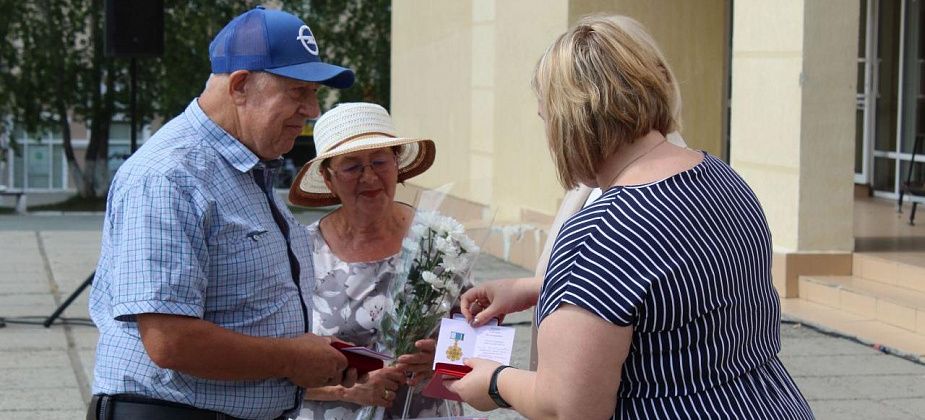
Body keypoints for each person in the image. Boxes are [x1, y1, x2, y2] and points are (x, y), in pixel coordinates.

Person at [449, 15, 814, 419]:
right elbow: (671, 289)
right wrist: (540, 287)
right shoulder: (721, 177)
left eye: (546, 119)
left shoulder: (601, 231)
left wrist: (495, 381)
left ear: (574, 119)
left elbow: (570, 406)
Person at [88, 7, 359, 420]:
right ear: (240, 86)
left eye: (314, 93)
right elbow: (170, 341)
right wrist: (289, 358)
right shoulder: (169, 175)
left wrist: (316, 358)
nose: (312, 110)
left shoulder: (244, 164)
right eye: (299, 91)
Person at [288, 102, 465, 419]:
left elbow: (474, 336)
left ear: (397, 165)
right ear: (329, 178)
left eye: (379, 161)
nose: (369, 176)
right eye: (352, 166)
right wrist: (347, 390)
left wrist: (442, 358)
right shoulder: (301, 251)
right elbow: (277, 362)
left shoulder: (437, 241)